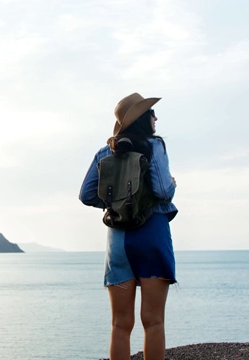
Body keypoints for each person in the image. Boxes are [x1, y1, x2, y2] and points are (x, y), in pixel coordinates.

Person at [79, 92, 178, 360]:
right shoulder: (154, 146)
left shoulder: (105, 151)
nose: (155, 117)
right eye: (151, 113)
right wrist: (173, 184)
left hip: (119, 242)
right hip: (152, 236)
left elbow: (86, 195)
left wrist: (118, 202)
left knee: (120, 325)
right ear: (143, 120)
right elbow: (162, 189)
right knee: (154, 322)